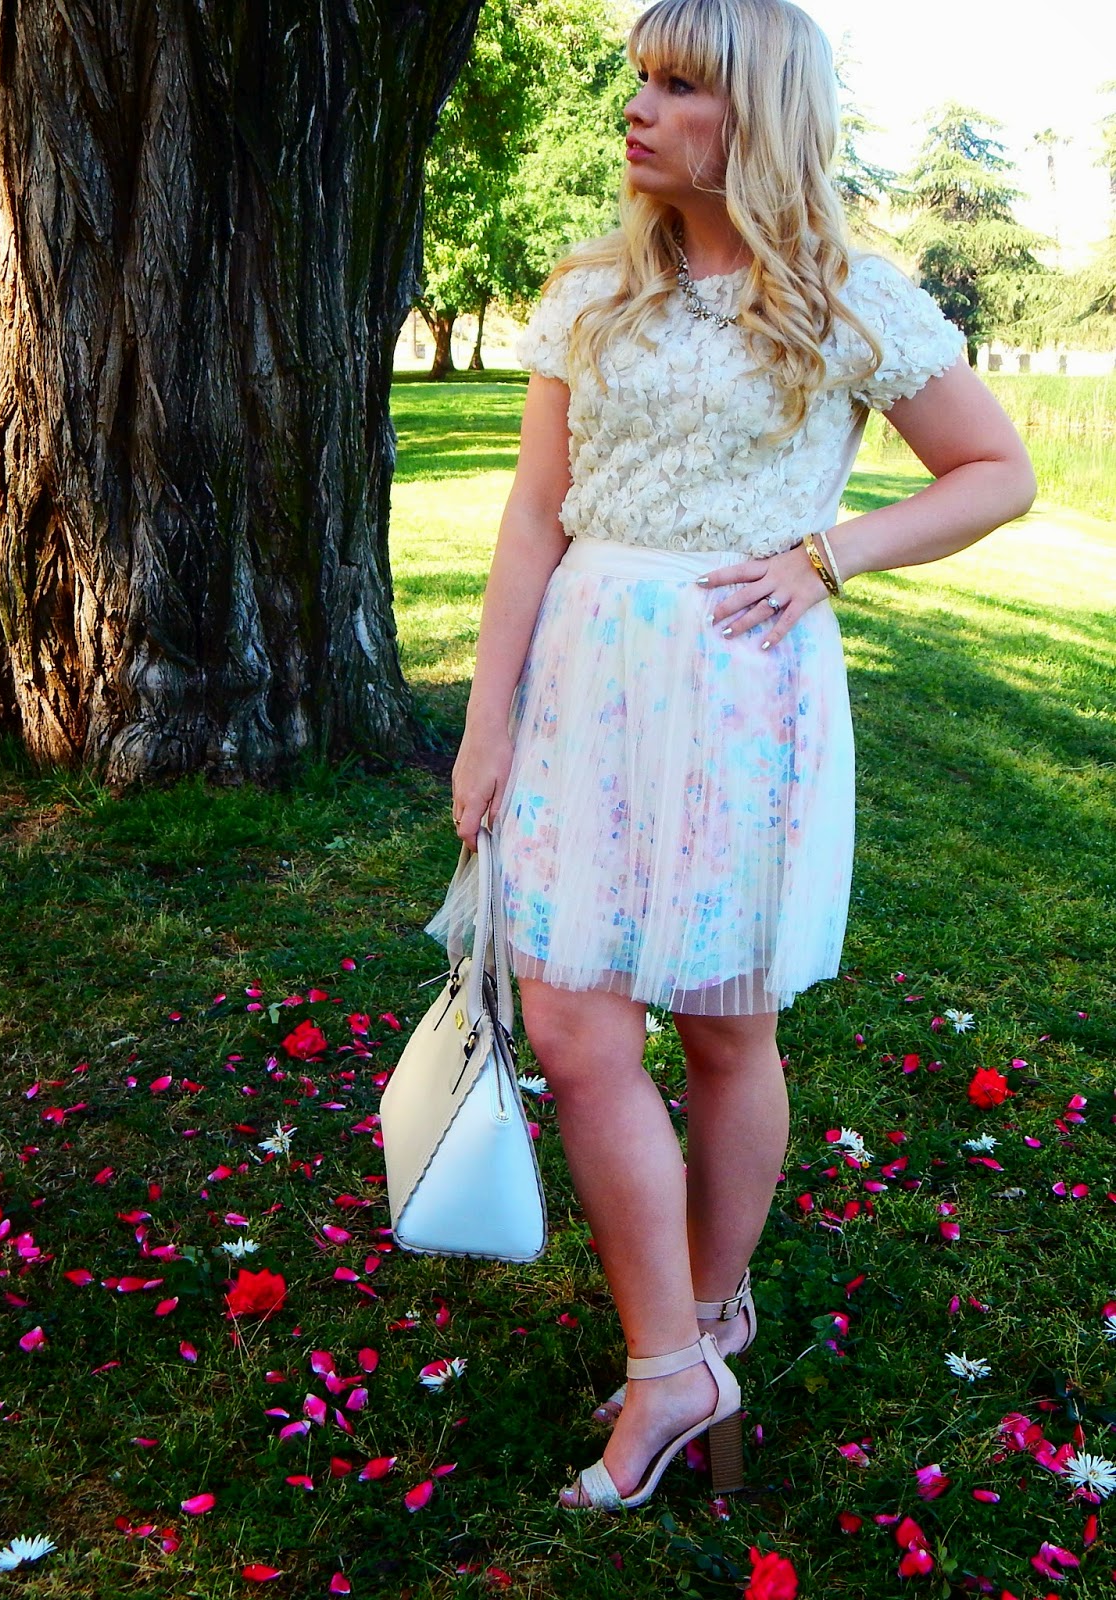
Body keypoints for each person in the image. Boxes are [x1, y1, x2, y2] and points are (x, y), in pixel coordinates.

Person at [426, 0, 1035, 1515]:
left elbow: (996, 473)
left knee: (722, 1030)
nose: (639, 109)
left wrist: (832, 554)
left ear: (753, 116)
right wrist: (486, 710)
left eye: (679, 85)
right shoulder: (589, 290)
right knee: (573, 1021)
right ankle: (672, 1362)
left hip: (747, 686)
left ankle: (701, 1318)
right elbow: (529, 514)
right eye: (640, 78)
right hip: (584, 669)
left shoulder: (845, 294)